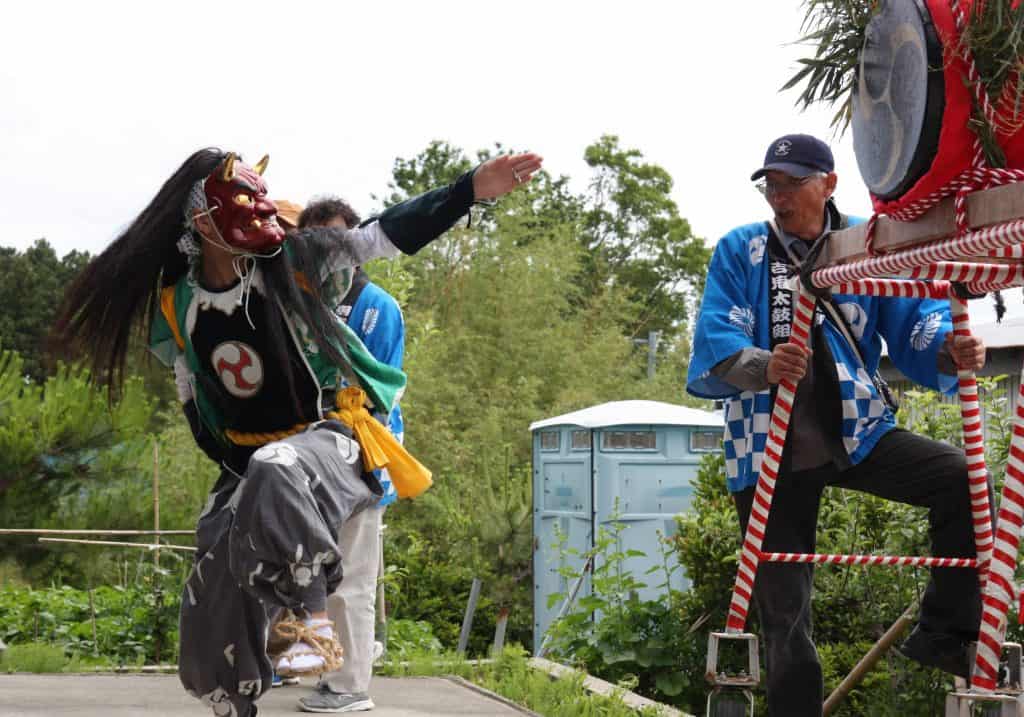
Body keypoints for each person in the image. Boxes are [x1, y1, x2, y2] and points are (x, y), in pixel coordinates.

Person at [52, 147, 542, 717]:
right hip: (252, 457)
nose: (264, 215)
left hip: (331, 439)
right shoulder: (178, 302)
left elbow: (381, 235)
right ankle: (233, 691)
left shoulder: (295, 261)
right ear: (203, 221)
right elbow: (191, 390)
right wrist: (224, 469)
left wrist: (467, 191)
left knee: (280, 468)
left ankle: (311, 623)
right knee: (213, 577)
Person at [686, 134, 989, 716]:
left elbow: (915, 317)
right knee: (785, 616)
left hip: (857, 428)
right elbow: (717, 334)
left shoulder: (867, 243)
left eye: (793, 183)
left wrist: (949, 350)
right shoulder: (742, 248)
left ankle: (945, 631)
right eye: (771, 185)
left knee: (962, 478)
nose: (779, 196)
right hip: (766, 445)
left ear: (828, 183)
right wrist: (764, 364)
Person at [295, 196, 405, 714]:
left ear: (356, 244)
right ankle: (311, 665)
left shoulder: (377, 306)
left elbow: (381, 391)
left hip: (359, 456)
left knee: (352, 579)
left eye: (336, 238)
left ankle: (350, 685)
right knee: (300, 572)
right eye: (313, 239)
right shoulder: (293, 301)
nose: (326, 250)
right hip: (301, 458)